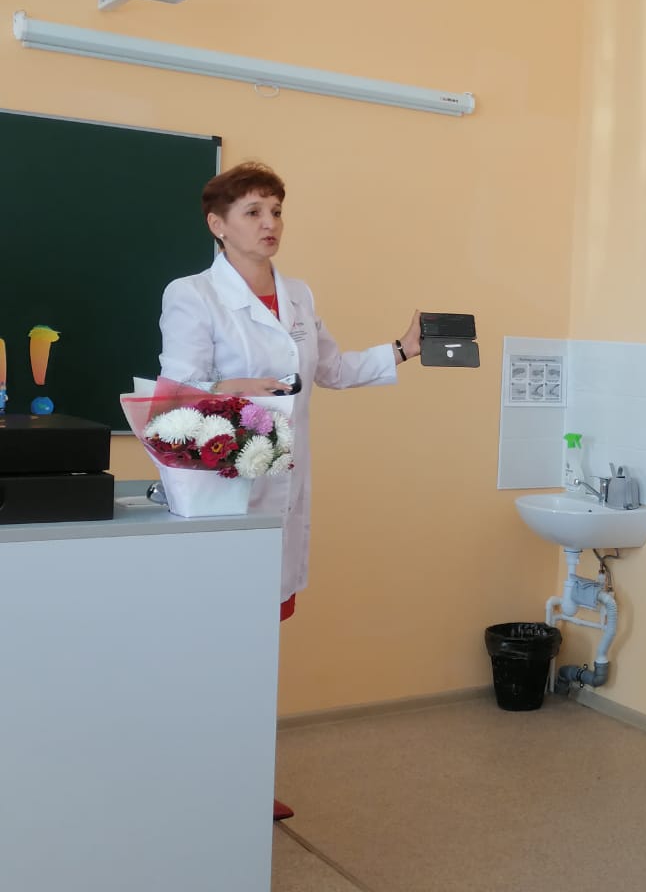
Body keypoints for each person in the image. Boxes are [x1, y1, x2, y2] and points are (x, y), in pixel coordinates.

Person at [158, 161, 421, 820]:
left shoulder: (297, 294)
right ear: (218, 224)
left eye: (275, 210)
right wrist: (232, 389)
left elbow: (331, 369)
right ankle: (201, 786)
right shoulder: (193, 295)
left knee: (258, 650)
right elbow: (175, 393)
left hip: (283, 493)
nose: (269, 223)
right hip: (225, 495)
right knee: (217, 647)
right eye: (252, 211)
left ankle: (246, 782)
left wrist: (402, 347)